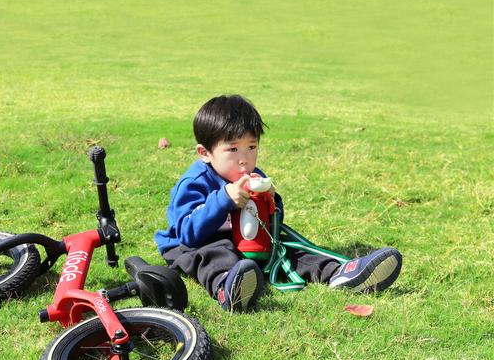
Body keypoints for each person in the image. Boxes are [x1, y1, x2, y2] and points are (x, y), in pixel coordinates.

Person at [154, 94, 403, 312]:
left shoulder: (254, 176)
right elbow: (187, 232)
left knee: (285, 245)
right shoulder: (195, 182)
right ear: (205, 153)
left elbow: (273, 224)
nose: (244, 159)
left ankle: (338, 272)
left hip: (245, 240)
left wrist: (271, 202)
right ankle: (227, 285)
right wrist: (223, 200)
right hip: (191, 243)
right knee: (213, 252)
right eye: (232, 150)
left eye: (251, 147)